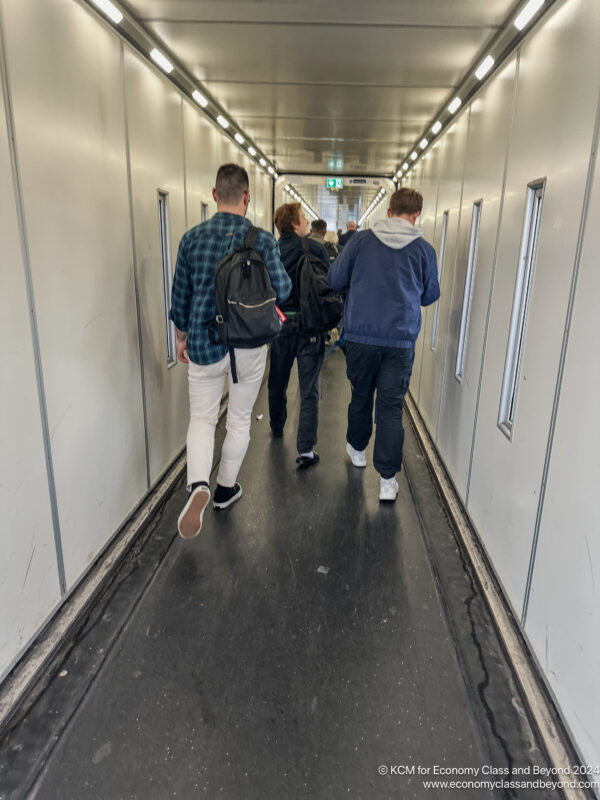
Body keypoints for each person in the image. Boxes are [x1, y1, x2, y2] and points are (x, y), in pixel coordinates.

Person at [169, 164, 292, 538]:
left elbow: (180, 298)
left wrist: (181, 337)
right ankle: (224, 489)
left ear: (214, 193)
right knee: (238, 419)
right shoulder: (264, 241)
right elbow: (283, 291)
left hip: (205, 343)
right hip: (249, 346)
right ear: (247, 196)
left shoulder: (192, 239)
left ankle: (198, 486)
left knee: (203, 419)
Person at [328, 188, 440, 502]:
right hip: (400, 341)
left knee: (361, 395)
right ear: (416, 215)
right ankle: (388, 482)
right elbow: (430, 295)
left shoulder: (361, 241)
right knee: (391, 408)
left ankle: (357, 449)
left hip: (362, 337)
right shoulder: (424, 250)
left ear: (389, 211)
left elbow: (335, 279)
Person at [268, 202, 330, 468]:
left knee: (277, 380)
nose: (306, 222)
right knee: (309, 389)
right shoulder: (315, 248)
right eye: (303, 218)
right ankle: (305, 449)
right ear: (294, 223)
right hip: (310, 328)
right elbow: (329, 285)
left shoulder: (271, 250)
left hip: (280, 323)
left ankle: (277, 425)